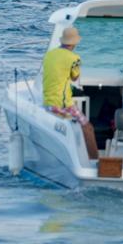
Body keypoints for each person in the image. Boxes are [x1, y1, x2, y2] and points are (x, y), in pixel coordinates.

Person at [41, 25, 98, 160]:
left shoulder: (49, 54)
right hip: (62, 104)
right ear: (74, 43)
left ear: (62, 41)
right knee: (87, 127)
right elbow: (74, 77)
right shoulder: (74, 58)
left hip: (48, 101)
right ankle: (95, 160)